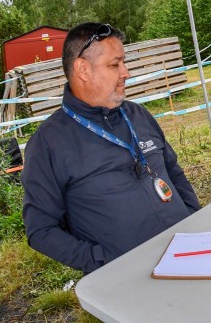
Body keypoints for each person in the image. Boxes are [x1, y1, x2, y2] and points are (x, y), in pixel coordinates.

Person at [21, 23, 200, 274]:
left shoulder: (137, 113)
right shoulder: (48, 143)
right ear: (83, 69)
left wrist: (194, 215)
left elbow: (173, 170)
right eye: (115, 65)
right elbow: (40, 230)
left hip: (192, 251)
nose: (126, 72)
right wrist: (103, 261)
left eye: (123, 63)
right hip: (130, 278)